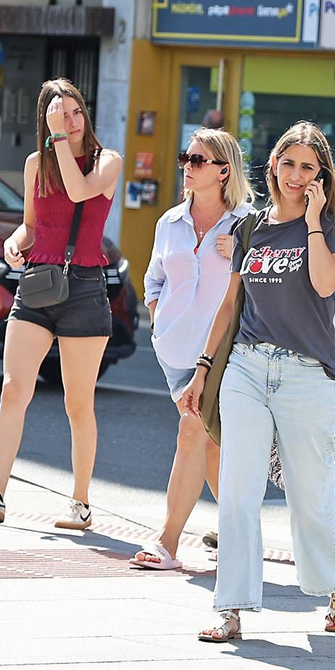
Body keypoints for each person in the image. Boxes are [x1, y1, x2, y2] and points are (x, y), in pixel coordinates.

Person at [182, 121, 335, 643]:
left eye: (309, 167)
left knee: (309, 497)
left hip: (309, 374)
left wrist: (310, 220)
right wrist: (203, 368)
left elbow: (328, 285)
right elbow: (230, 306)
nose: (296, 175)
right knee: (238, 491)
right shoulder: (250, 229)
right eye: (289, 164)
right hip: (247, 367)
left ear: (321, 176)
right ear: (272, 166)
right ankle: (230, 605)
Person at [0, 80, 122, 531]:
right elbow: (31, 225)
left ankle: (81, 502)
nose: (70, 121)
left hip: (86, 287)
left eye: (75, 112)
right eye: (59, 114)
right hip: (38, 283)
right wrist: (14, 242)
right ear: (44, 119)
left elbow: (79, 192)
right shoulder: (37, 165)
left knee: (77, 404)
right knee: (14, 389)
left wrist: (59, 140)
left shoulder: (107, 161)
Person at [131, 129, 254, 570]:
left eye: (198, 160)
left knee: (192, 431)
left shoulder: (247, 224)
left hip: (224, 352)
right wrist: (160, 318)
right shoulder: (169, 223)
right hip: (175, 352)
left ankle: (167, 542)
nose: (188, 165)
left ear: (224, 170)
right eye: (186, 157)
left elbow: (264, 287)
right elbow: (154, 279)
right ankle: (244, 532)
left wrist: (240, 252)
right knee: (211, 447)